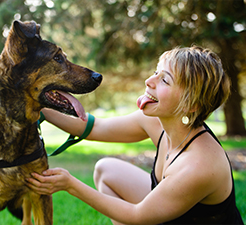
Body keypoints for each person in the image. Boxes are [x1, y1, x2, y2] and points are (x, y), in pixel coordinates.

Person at [26, 46, 244, 224]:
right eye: (156, 72)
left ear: (191, 105)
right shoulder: (156, 120)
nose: (150, 81)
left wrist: (70, 184)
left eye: (165, 80)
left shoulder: (199, 165)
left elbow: (138, 215)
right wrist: (38, 105)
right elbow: (93, 128)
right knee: (107, 170)